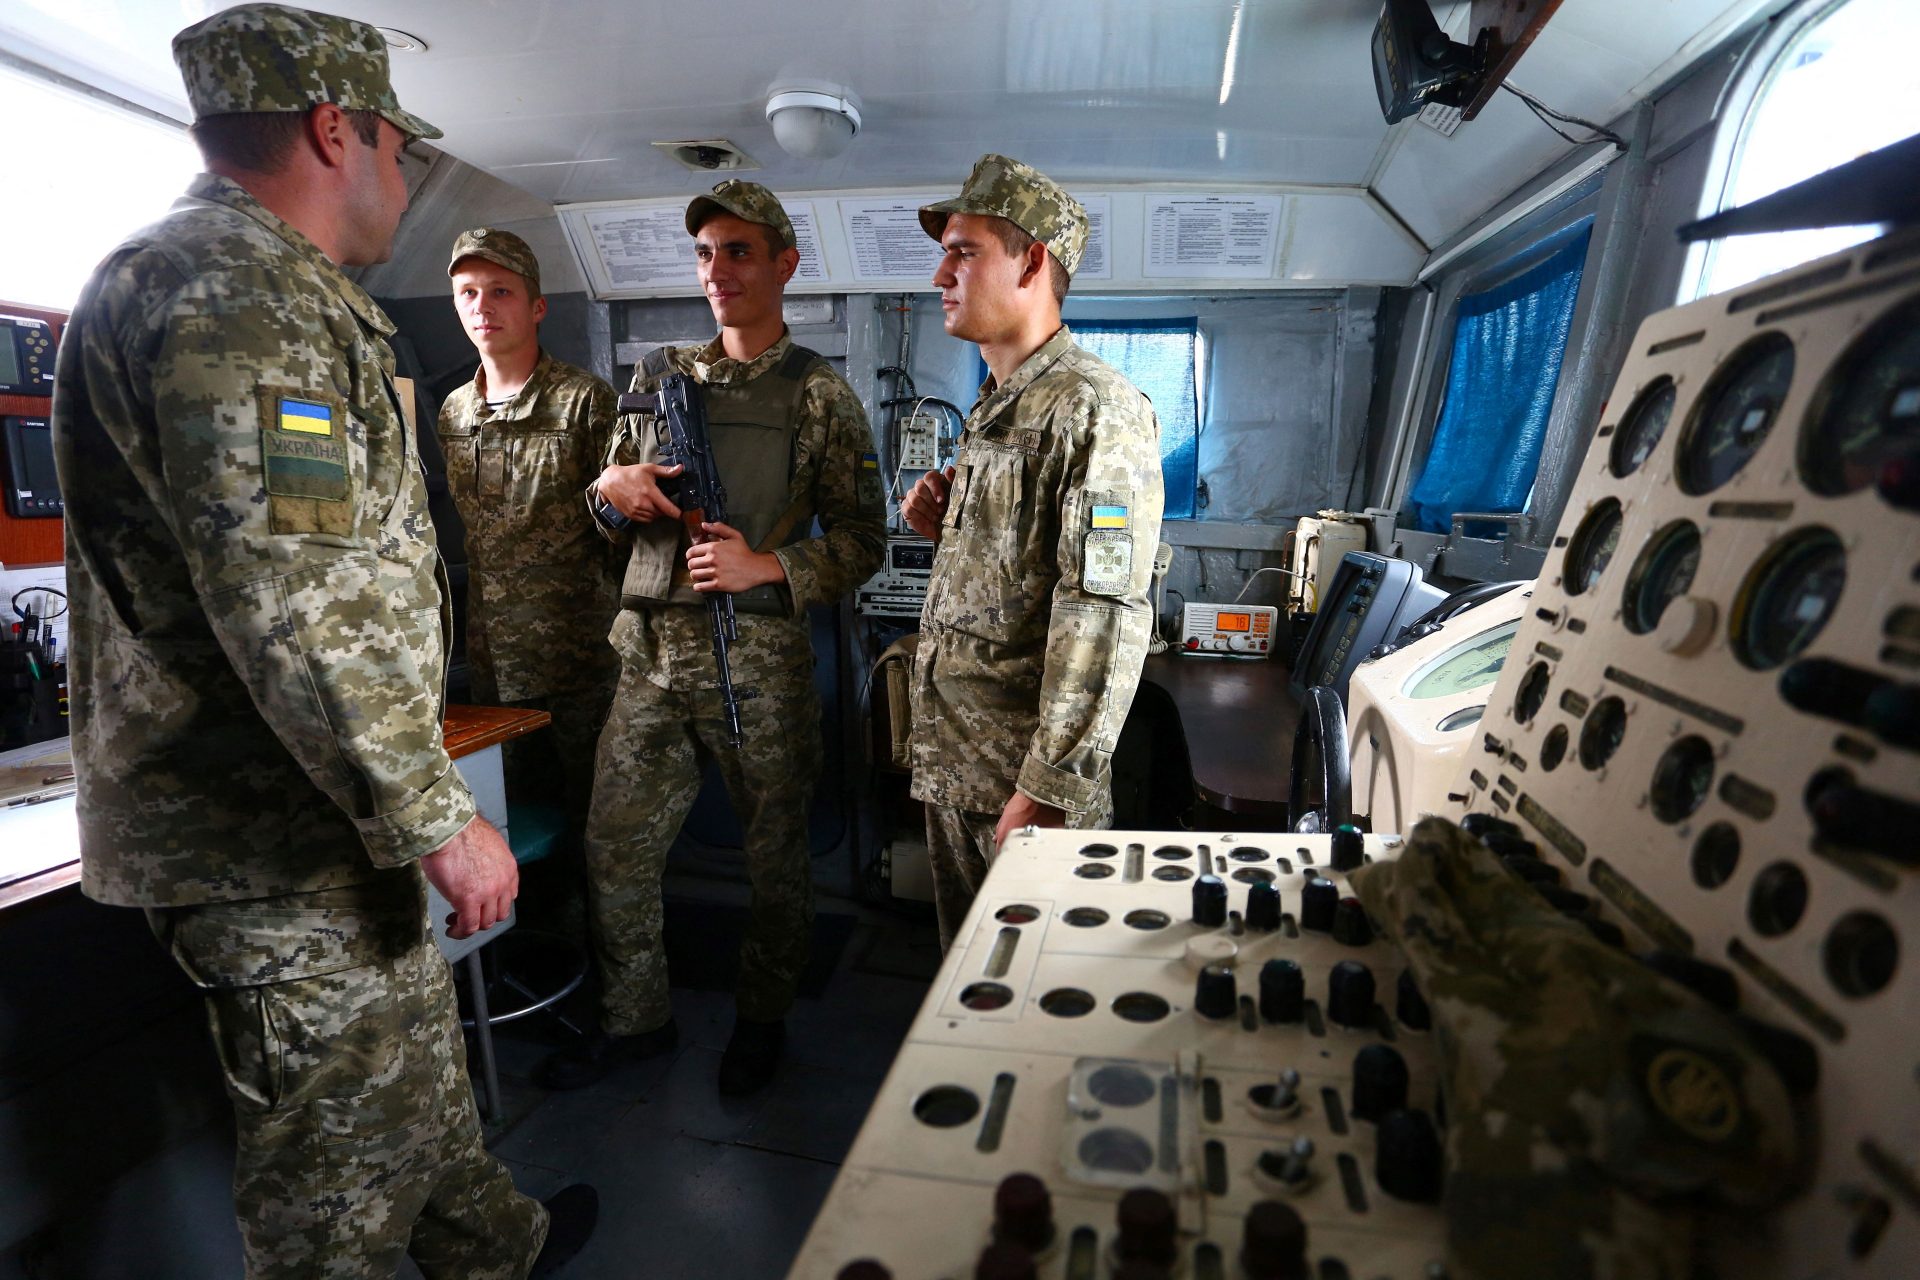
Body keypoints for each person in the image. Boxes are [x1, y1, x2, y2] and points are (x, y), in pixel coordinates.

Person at [50, 6, 593, 1275]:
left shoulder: (222, 280)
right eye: (399, 150)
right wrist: (433, 811)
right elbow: (294, 592)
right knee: (331, 1191)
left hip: (310, 822)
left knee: (413, 1084)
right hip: (271, 841)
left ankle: (495, 1250)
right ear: (332, 129)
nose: (403, 182)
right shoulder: (238, 291)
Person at [538, 180, 886, 1095]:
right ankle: (635, 1019)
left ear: (783, 264)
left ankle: (763, 1020)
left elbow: (864, 540)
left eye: (738, 251)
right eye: (705, 253)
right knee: (613, 845)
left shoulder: (818, 394)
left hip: (757, 660)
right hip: (650, 656)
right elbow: (608, 510)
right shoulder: (658, 378)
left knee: (774, 855)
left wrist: (768, 567)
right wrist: (608, 494)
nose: (718, 269)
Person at [903, 154, 1165, 950]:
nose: (942, 272)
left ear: (1034, 261)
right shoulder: (995, 406)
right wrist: (946, 529)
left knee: (1030, 999)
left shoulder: (1095, 407)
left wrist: (1051, 787)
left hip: (1021, 783)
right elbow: (1024, 568)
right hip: (959, 763)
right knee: (969, 980)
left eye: (964, 250)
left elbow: (1105, 607)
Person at [437, 227, 622, 868]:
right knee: (505, 821)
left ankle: (595, 957)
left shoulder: (584, 402)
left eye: (501, 292)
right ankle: (529, 948)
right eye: (468, 293)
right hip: (496, 663)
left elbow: (622, 530)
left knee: (597, 829)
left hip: (580, 657)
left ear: (536, 306)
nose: (483, 307)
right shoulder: (455, 411)